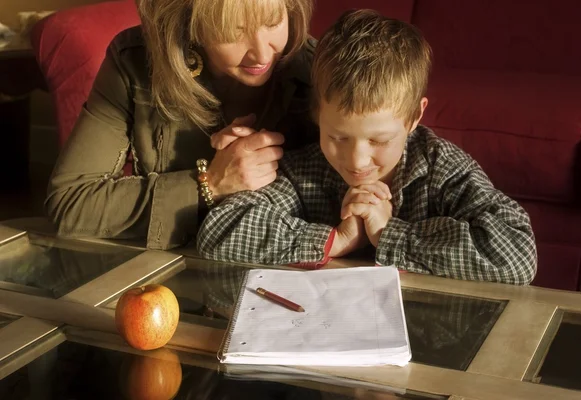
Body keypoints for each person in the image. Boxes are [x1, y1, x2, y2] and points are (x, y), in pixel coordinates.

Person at [196, 9, 537, 285]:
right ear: (317, 112)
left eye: (379, 140)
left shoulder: (441, 167)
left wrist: (391, 236)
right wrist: (336, 241)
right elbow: (219, 231)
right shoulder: (305, 169)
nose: (356, 160)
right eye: (338, 137)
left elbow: (517, 255)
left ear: (414, 117)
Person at [44, 0, 317, 250]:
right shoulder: (134, 61)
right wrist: (211, 184)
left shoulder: (320, 71)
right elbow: (71, 203)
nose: (260, 53)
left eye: (272, 22)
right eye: (233, 32)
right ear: (190, 22)